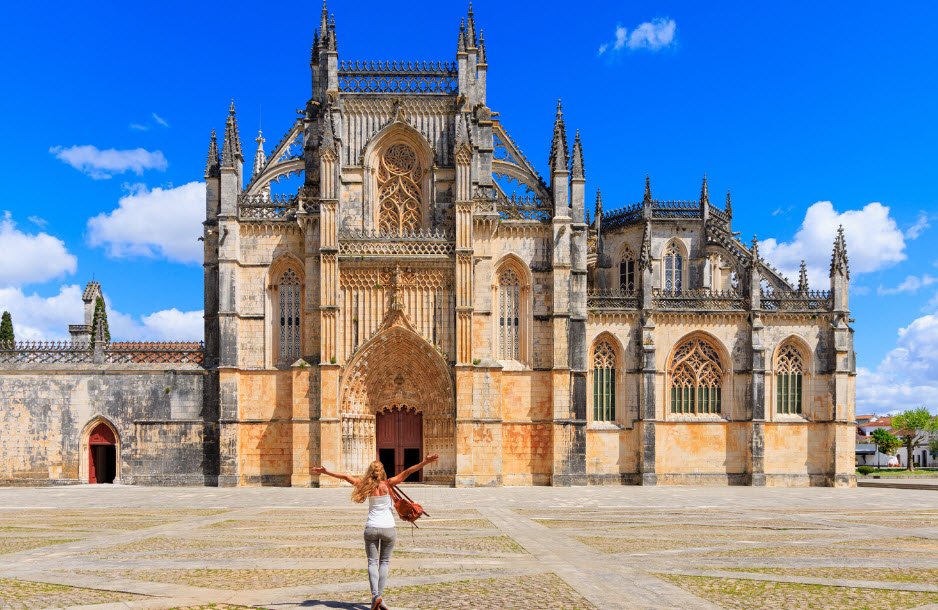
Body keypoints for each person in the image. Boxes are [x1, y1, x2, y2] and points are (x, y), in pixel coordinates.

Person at [313, 453, 439, 610]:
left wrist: (326, 472)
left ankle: (376, 596)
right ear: (382, 471)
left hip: (371, 528)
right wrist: (424, 462)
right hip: (388, 529)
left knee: (372, 562)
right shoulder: (389, 484)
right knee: (384, 563)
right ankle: (379, 596)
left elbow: (345, 476)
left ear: (369, 472)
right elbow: (408, 472)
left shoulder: (365, 485)